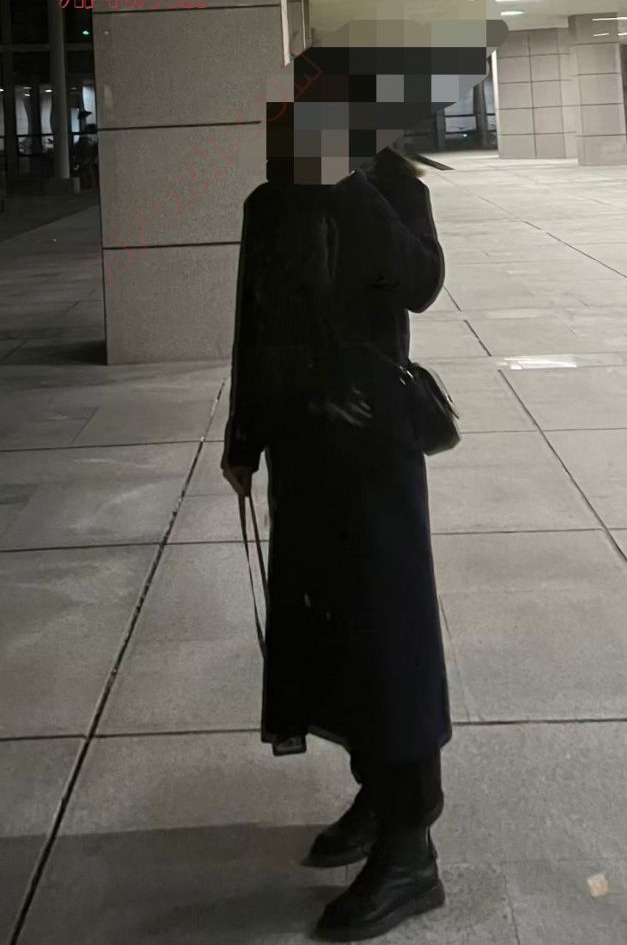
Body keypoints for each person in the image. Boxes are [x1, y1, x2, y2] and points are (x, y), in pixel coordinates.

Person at [220, 144, 452, 942]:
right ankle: (377, 792)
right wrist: (244, 437)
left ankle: (411, 845)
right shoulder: (270, 202)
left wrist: (352, 183)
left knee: (390, 640)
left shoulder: (390, 189)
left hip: (375, 456)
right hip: (303, 454)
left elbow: (420, 284)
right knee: (328, 635)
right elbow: (254, 323)